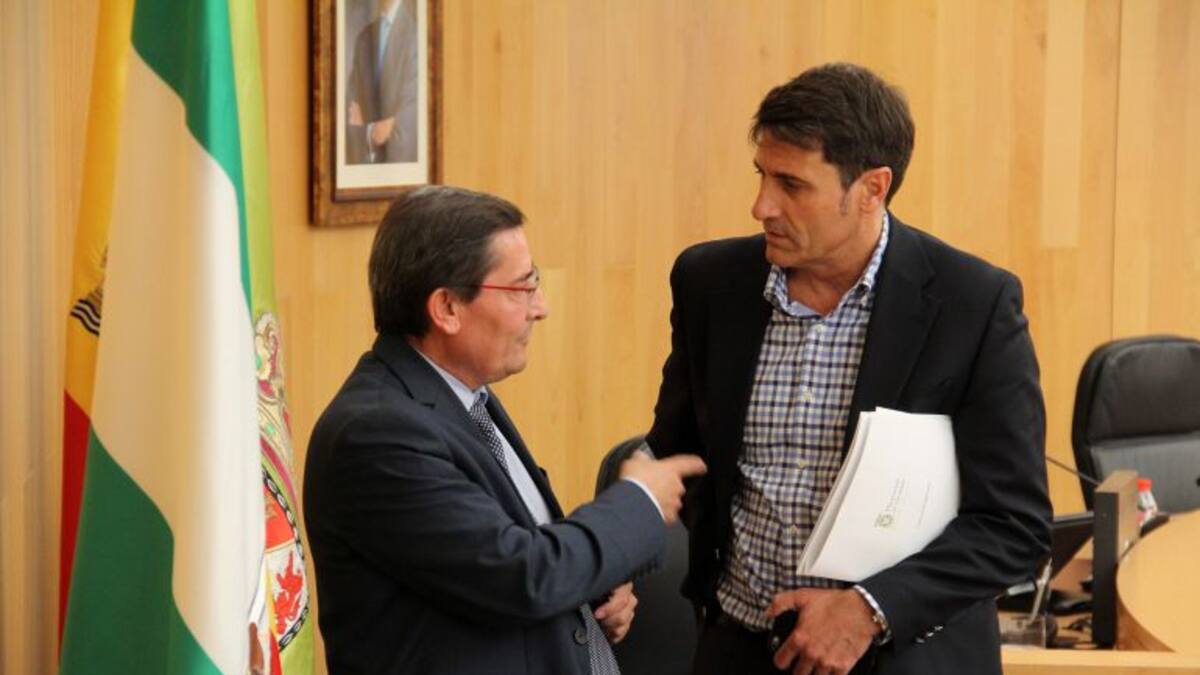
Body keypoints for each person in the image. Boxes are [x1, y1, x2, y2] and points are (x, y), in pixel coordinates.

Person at [645, 63, 1053, 675]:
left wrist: (870, 609)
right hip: (738, 650)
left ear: (871, 189)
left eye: (791, 184)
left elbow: (1013, 525)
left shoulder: (972, 304)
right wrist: (612, 559)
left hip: (903, 657)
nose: (761, 206)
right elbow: (676, 455)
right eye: (761, 175)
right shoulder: (710, 283)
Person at [304, 185, 706, 675]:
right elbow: (522, 577)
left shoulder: (464, 395)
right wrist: (640, 500)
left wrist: (592, 587)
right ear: (447, 308)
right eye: (522, 288)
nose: (541, 307)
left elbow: (493, 552)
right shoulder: (376, 435)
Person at [345, 0, 418, 164]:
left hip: (401, 169)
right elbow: (349, 116)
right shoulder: (364, 38)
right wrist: (374, 132)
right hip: (364, 167)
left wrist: (367, 131)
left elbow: (408, 127)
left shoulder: (417, 36)